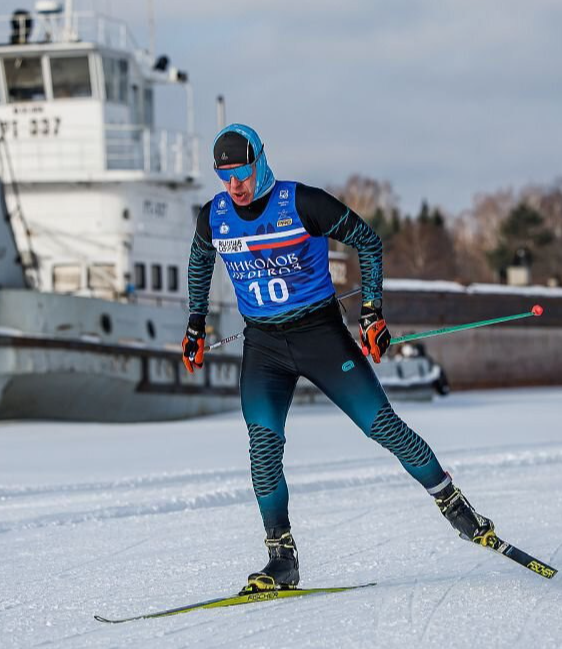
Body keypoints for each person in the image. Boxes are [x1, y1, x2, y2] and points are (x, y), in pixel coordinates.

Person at [182, 123, 493, 591]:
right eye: (224, 176)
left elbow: (368, 240)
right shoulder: (215, 215)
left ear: (260, 163)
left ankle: (453, 504)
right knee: (263, 449)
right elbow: (200, 258)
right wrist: (194, 322)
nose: (235, 186)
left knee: (382, 425)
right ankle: (281, 560)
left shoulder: (302, 203)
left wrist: (372, 314)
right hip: (265, 347)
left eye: (242, 173)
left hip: (320, 335)